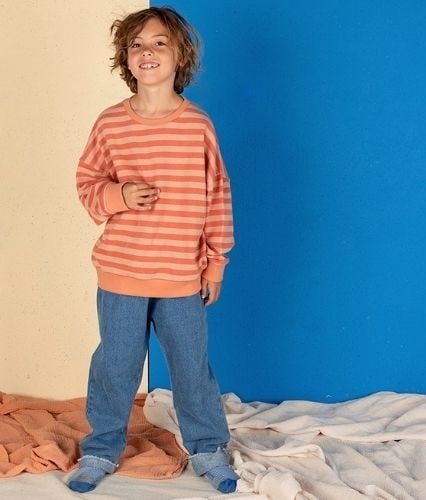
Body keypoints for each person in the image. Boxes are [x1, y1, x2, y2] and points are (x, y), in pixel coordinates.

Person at [67, 6, 237, 495]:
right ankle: (101, 449)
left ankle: (208, 447)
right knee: (116, 366)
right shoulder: (110, 124)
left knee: (190, 367)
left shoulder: (197, 125)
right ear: (125, 58)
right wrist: (120, 195)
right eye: (137, 44)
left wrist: (216, 263)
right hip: (122, 270)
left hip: (181, 273)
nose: (147, 52)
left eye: (159, 42)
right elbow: (87, 184)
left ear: (180, 55)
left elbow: (218, 194)